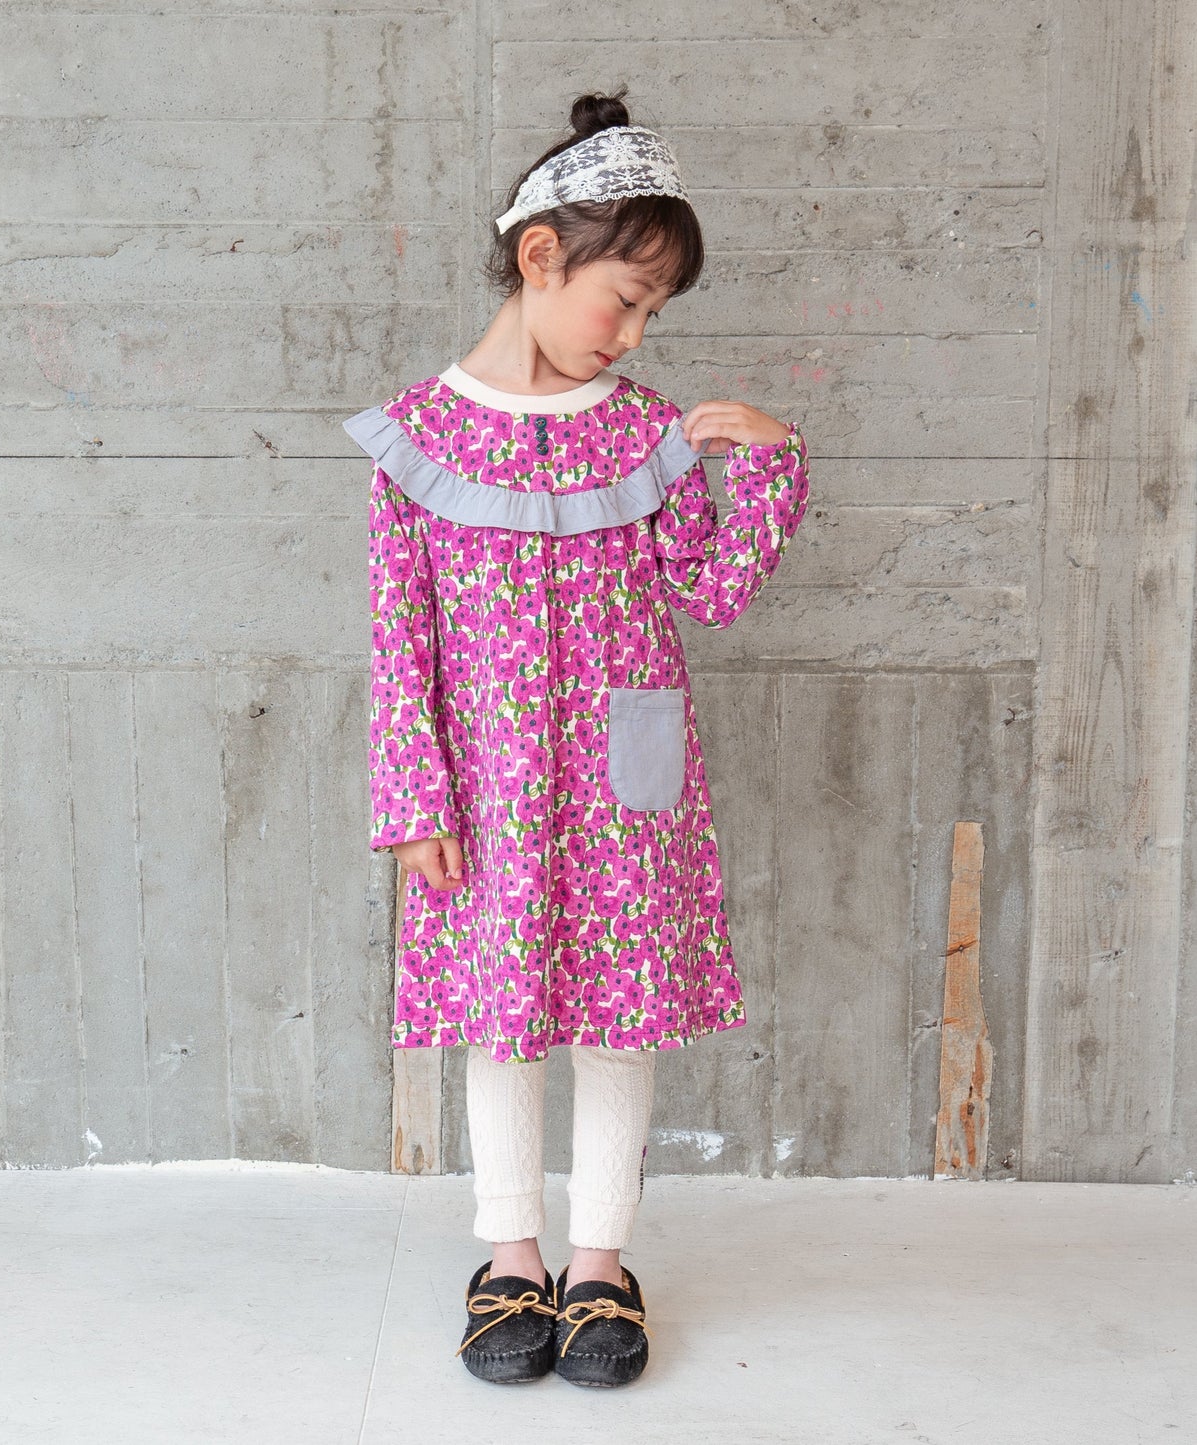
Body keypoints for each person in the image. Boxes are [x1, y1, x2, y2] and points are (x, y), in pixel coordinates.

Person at [341, 88, 811, 1389]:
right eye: (627, 299)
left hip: (630, 771)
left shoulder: (645, 433)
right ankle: (510, 1256)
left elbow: (711, 589)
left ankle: (601, 1262)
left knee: (620, 1011)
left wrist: (767, 467)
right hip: (483, 784)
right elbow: (400, 637)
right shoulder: (415, 440)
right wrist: (413, 799)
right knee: (500, 1017)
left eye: (654, 313)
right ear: (541, 257)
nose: (636, 333)